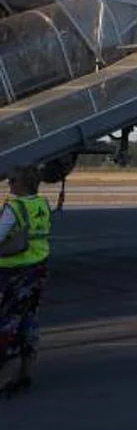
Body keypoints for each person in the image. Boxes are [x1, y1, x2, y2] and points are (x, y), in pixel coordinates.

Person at [0, 164, 52, 398]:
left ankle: (4, 377)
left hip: (13, 272)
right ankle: (26, 372)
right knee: (29, 319)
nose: (8, 184)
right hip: (38, 268)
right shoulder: (42, 204)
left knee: (8, 321)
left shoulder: (15, 207)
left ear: (21, 183)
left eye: (11, 180)